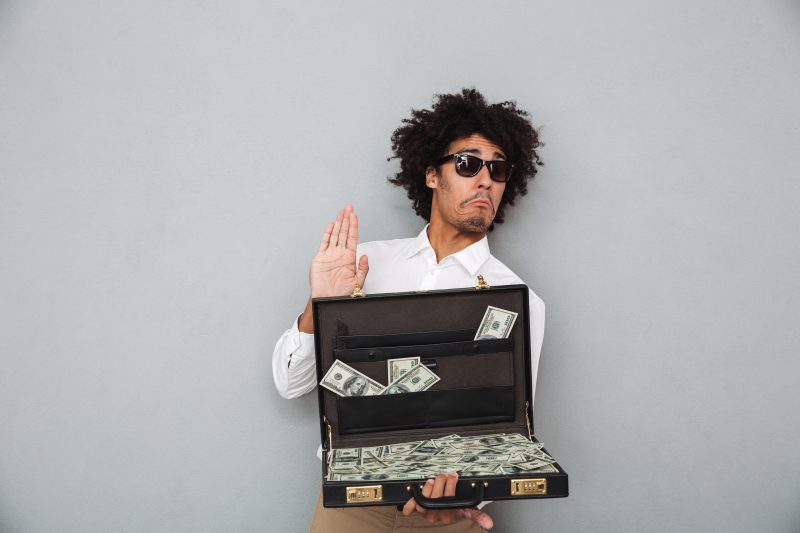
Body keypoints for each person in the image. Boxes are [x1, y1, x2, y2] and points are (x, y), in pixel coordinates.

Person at [272, 88, 546, 532]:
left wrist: (460, 493)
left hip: (452, 516)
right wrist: (317, 306)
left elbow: (511, 427)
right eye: (468, 163)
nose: (484, 180)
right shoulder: (364, 264)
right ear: (432, 175)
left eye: (497, 169)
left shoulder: (518, 298)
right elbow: (289, 385)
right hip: (350, 509)